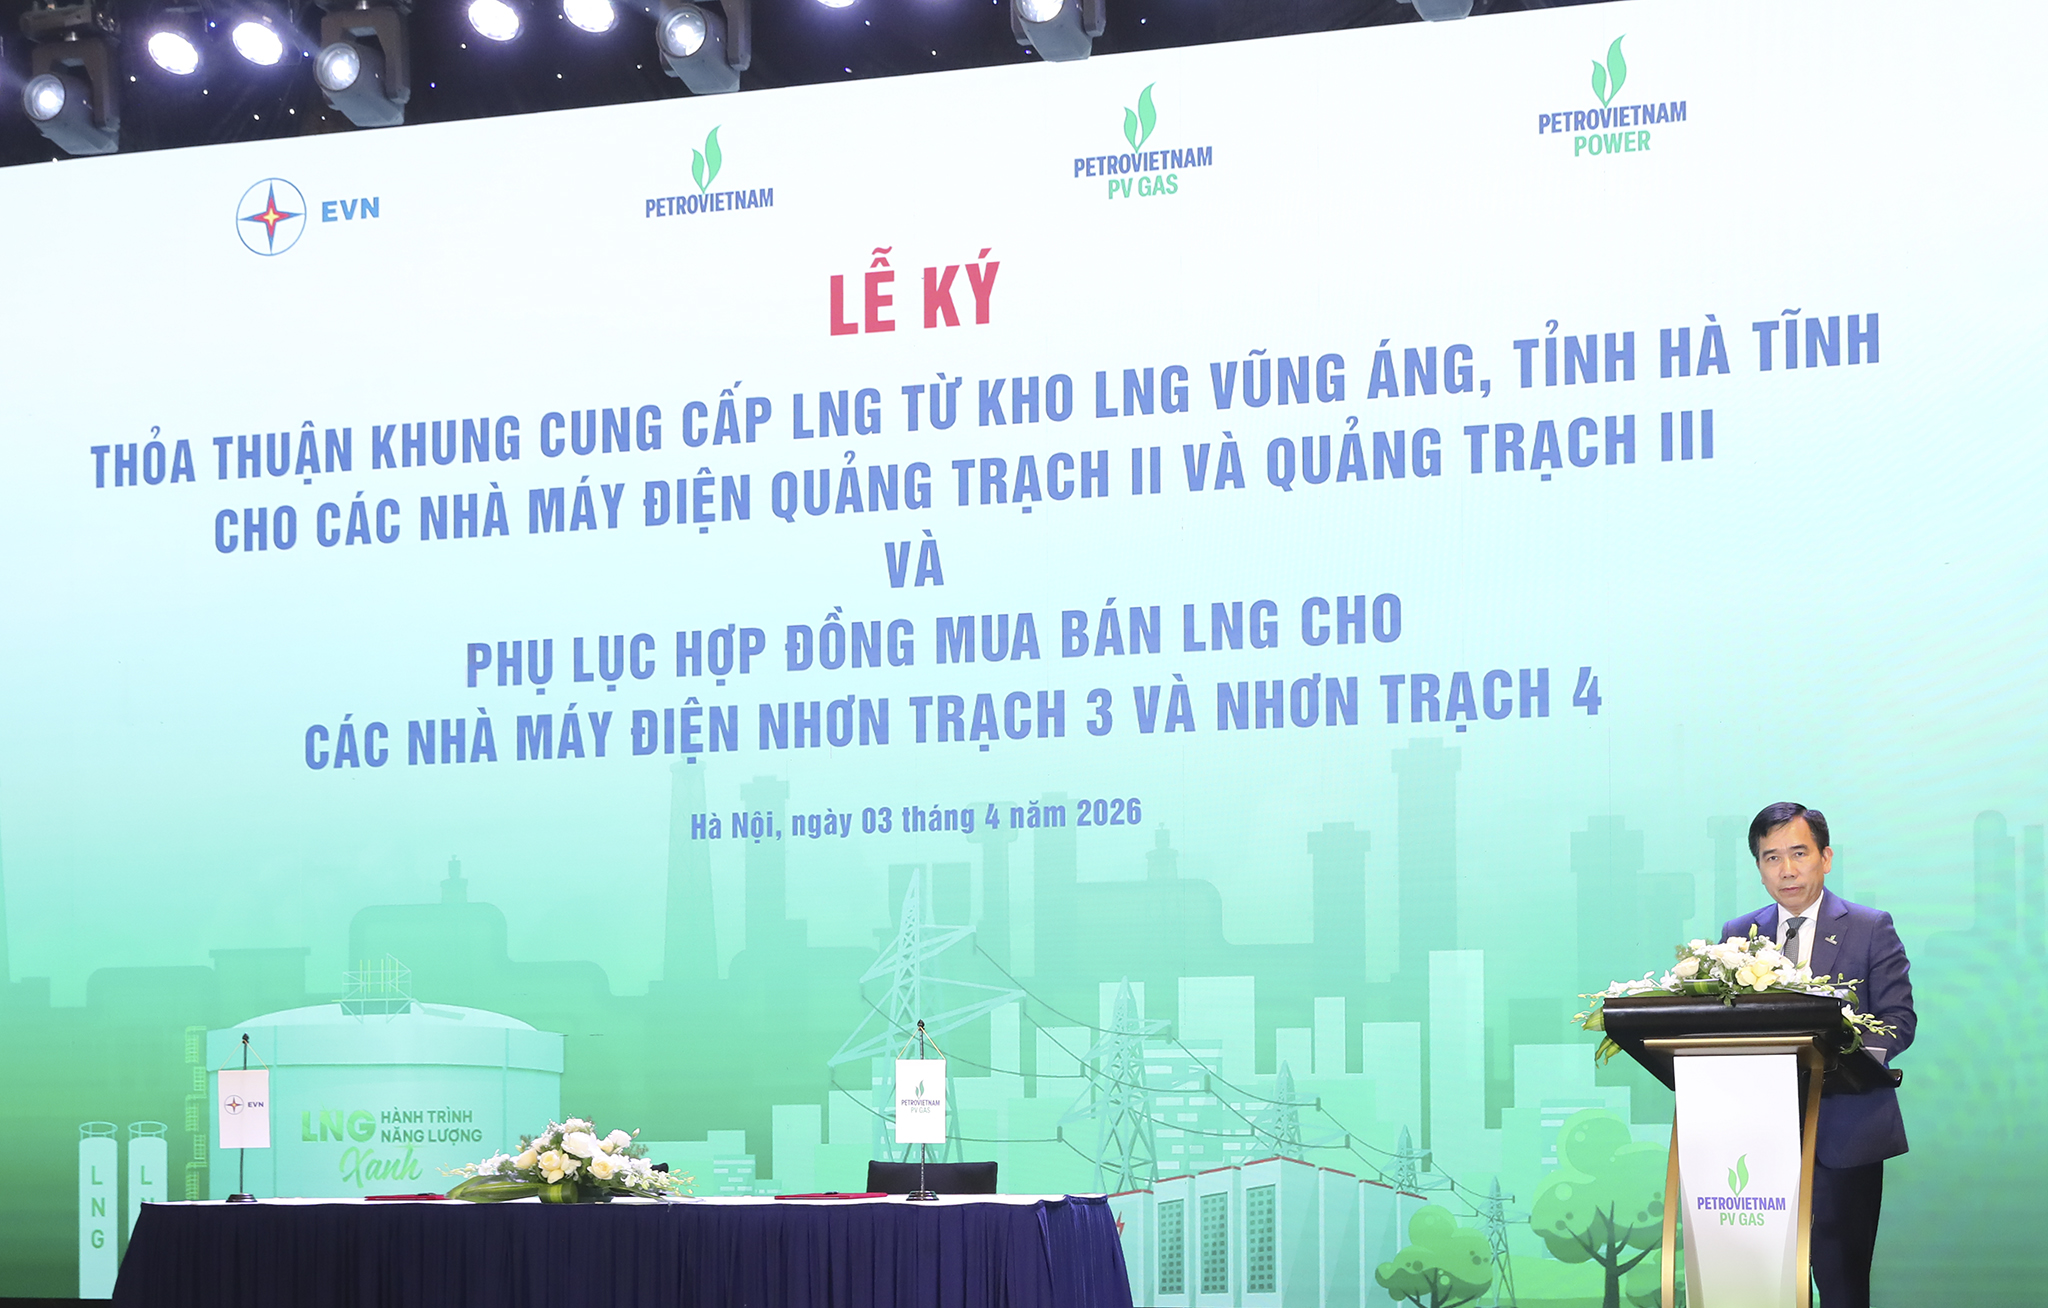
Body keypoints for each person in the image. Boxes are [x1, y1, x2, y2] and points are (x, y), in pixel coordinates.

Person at [1722, 802, 1915, 1308]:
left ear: (1825, 858)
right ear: (1759, 867)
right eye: (1771, 858)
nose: (1786, 870)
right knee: (1761, 1283)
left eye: (1799, 853)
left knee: (1842, 1283)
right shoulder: (1737, 935)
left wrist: (1841, 1057)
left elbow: (1898, 1021)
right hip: (1758, 1136)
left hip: (1844, 1129)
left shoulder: (1870, 926)